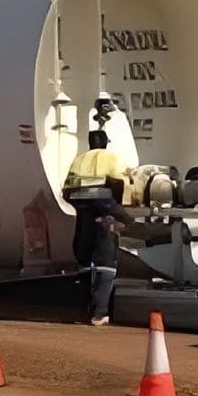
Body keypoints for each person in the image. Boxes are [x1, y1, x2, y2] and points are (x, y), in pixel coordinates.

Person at [62, 129, 128, 326]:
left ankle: (83, 309)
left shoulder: (78, 159)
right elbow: (119, 182)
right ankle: (100, 313)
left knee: (84, 260)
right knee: (105, 263)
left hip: (82, 209)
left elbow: (66, 188)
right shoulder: (110, 157)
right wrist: (120, 212)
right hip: (102, 208)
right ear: (106, 143)